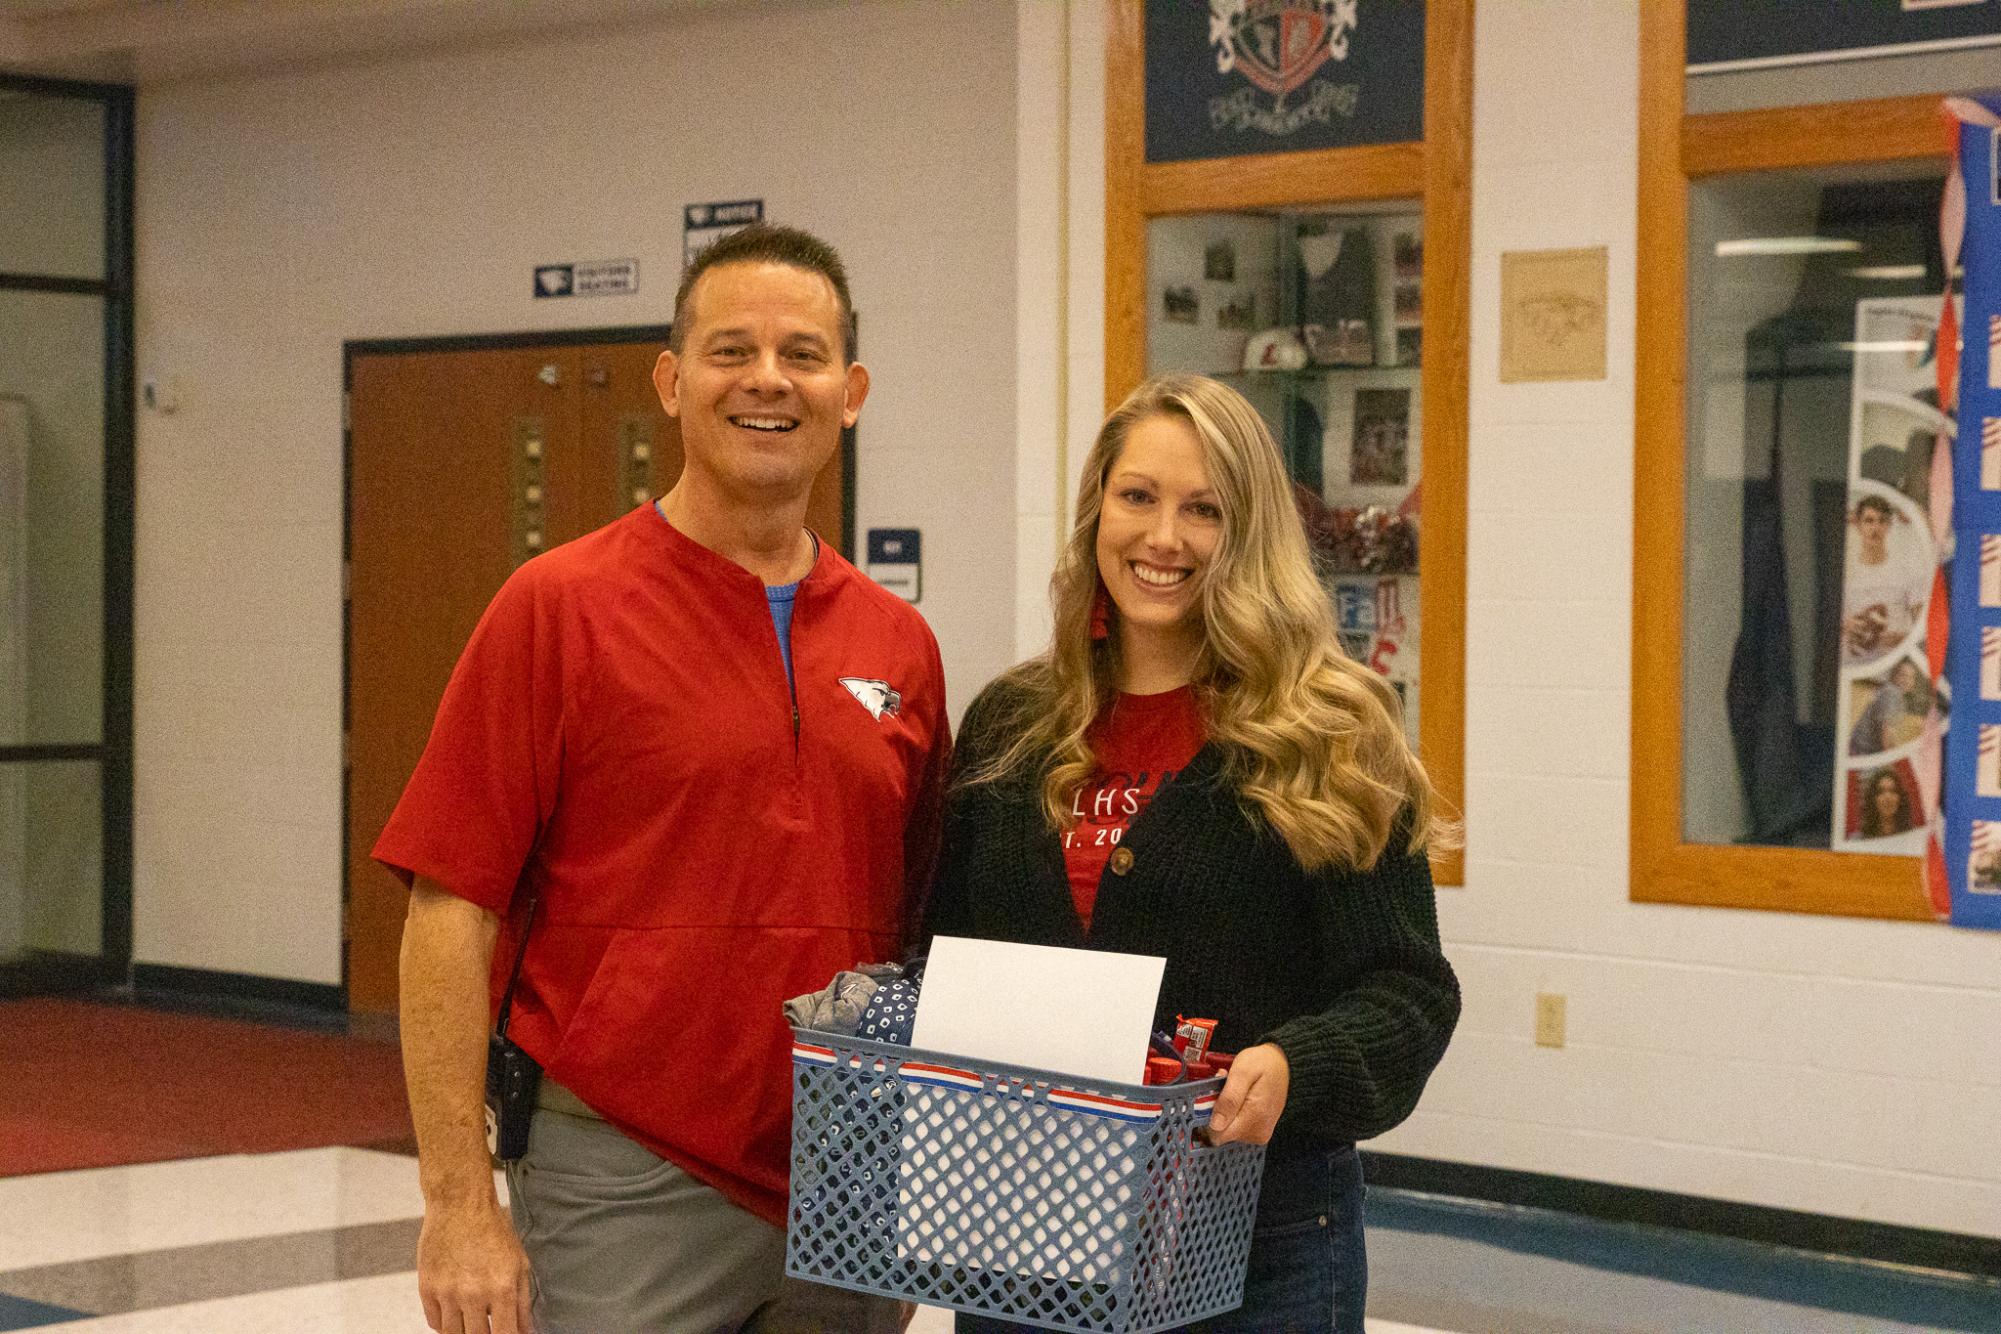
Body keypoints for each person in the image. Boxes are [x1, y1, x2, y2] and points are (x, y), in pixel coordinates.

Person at [375, 224, 950, 1334]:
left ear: (853, 389)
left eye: (804, 352)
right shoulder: (558, 608)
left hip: (850, 1166)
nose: (769, 379)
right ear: (673, 382)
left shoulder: (899, 646)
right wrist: (456, 1199)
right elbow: (449, 905)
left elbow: (911, 919)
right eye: (732, 350)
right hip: (624, 1170)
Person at [924, 374, 1460, 1333]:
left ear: (1247, 532)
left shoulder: (1331, 731)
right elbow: (943, 954)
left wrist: (1296, 1064)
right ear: (1098, 514)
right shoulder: (1010, 722)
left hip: (1260, 1234)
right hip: (1025, 1224)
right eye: (1137, 498)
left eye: (1202, 510)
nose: (1162, 538)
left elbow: (1407, 992)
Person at [1841, 494, 1930, 665]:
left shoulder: (1907, 571)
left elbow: (1925, 629)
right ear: (1858, 525)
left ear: (1889, 526)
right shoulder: (1847, 572)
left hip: (1888, 667)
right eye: (1869, 521)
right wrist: (1847, 625)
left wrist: (1902, 640)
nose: (1876, 527)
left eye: (1882, 521)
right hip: (1850, 664)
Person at [1847, 657, 1928, 756]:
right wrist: (1891, 757)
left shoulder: (1894, 693)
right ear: (1894, 676)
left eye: (1911, 677)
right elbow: (1885, 731)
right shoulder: (1892, 693)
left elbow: (1890, 732)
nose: (1907, 680)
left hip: (1861, 748)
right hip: (1861, 751)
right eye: (1903, 675)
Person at [1858, 767, 1916, 839]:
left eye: (1893, 791)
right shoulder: (1859, 839)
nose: (1888, 797)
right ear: (1873, 799)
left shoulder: (1913, 836)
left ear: (1900, 798)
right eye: (1881, 792)